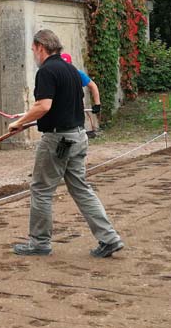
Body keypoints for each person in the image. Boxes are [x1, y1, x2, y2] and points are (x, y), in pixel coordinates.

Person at [7, 30, 123, 258]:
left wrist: (19, 123)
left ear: (41, 47)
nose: (33, 54)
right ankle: (109, 239)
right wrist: (30, 119)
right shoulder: (71, 70)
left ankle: (39, 243)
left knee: (41, 189)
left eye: (33, 50)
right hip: (78, 136)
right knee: (81, 188)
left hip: (58, 140)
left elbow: (43, 106)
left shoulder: (46, 71)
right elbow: (60, 106)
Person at [60, 52, 102, 137]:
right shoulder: (55, 75)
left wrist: (97, 104)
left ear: (71, 64)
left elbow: (93, 86)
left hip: (76, 109)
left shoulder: (78, 74)